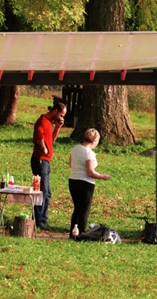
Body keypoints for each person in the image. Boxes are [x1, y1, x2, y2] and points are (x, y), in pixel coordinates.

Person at [68, 128, 111, 238]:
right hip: (85, 183)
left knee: (77, 208)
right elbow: (90, 172)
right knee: (84, 210)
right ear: (95, 140)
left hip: (73, 180)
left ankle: (73, 232)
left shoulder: (75, 149)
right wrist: (102, 176)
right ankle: (81, 233)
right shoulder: (89, 153)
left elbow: (71, 165)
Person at [31, 102, 67, 230]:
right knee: (42, 190)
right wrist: (43, 148)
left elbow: (51, 140)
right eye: (61, 115)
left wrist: (57, 127)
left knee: (47, 192)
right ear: (55, 111)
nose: (62, 117)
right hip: (40, 160)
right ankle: (38, 219)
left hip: (46, 161)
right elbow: (38, 136)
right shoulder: (43, 121)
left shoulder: (50, 123)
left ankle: (43, 218)